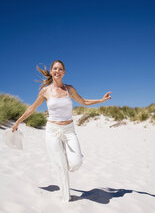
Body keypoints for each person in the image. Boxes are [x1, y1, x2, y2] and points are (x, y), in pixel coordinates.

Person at [12, 60, 112, 202]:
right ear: (52, 71)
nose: (57, 71)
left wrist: (101, 100)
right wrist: (17, 122)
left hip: (69, 130)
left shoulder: (69, 89)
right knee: (61, 165)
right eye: (55, 69)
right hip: (52, 130)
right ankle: (66, 198)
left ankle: (66, 163)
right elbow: (31, 108)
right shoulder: (45, 91)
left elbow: (83, 101)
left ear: (64, 72)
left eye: (60, 69)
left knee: (76, 162)